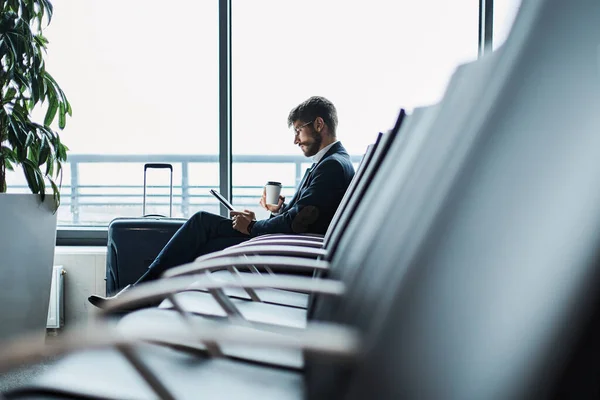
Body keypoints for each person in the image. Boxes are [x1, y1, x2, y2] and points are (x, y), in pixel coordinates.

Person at [88, 96, 355, 308]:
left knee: (202, 226)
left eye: (299, 130)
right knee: (203, 235)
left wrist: (252, 227)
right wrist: (278, 211)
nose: (295, 139)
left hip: (287, 251)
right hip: (286, 243)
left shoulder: (331, 166)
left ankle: (141, 295)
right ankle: (147, 296)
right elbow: (307, 215)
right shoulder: (333, 162)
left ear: (319, 124)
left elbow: (300, 224)